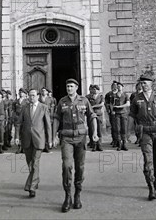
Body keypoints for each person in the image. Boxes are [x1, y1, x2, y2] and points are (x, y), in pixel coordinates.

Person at [52, 78, 98, 212]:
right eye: (67, 86)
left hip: (81, 137)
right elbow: (56, 118)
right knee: (66, 166)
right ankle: (67, 196)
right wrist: (53, 135)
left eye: (71, 86)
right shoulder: (62, 101)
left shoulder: (84, 100)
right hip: (66, 137)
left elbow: (92, 116)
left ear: (76, 87)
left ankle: (77, 194)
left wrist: (94, 133)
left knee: (80, 167)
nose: (69, 88)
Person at [129, 73, 156, 201]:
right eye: (141, 83)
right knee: (148, 159)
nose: (143, 85)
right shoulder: (137, 98)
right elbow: (131, 115)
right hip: (144, 131)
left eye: (145, 83)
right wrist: (127, 133)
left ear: (151, 84)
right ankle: (151, 186)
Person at [15, 88, 52, 198]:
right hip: (26, 139)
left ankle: (31, 187)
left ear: (38, 96)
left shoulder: (43, 107)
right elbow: (18, 123)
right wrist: (17, 137)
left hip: (39, 139)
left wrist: (49, 140)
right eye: (29, 95)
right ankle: (36, 179)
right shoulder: (24, 108)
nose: (31, 97)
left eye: (33, 95)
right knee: (30, 163)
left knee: (35, 163)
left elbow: (48, 125)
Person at [113, 82, 130, 151]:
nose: (119, 87)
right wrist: (112, 110)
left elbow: (128, 104)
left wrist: (119, 106)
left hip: (124, 113)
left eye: (120, 86)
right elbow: (111, 104)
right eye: (118, 86)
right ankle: (119, 144)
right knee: (118, 129)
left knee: (124, 129)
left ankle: (124, 144)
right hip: (117, 113)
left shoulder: (125, 95)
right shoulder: (114, 95)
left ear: (122, 87)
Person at [87, 85, 104, 152]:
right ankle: (94, 144)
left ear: (98, 90)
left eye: (96, 89)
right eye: (94, 89)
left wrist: (93, 106)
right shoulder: (88, 97)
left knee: (99, 130)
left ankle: (99, 145)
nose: (95, 90)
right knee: (92, 129)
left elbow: (101, 104)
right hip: (91, 114)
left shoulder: (101, 97)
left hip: (99, 114)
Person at [13, 88, 28, 153]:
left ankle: (24, 147)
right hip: (17, 119)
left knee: (24, 133)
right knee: (17, 133)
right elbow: (13, 110)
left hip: (24, 119)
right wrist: (14, 117)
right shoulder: (16, 101)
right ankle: (19, 147)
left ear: (25, 94)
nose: (21, 93)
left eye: (22, 92)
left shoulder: (27, 101)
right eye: (20, 92)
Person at [104, 81, 118, 146]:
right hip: (112, 113)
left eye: (115, 86)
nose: (114, 87)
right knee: (113, 127)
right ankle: (114, 140)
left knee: (119, 127)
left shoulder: (120, 93)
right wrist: (108, 110)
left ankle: (119, 140)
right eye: (113, 86)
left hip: (119, 113)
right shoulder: (108, 94)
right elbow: (106, 103)